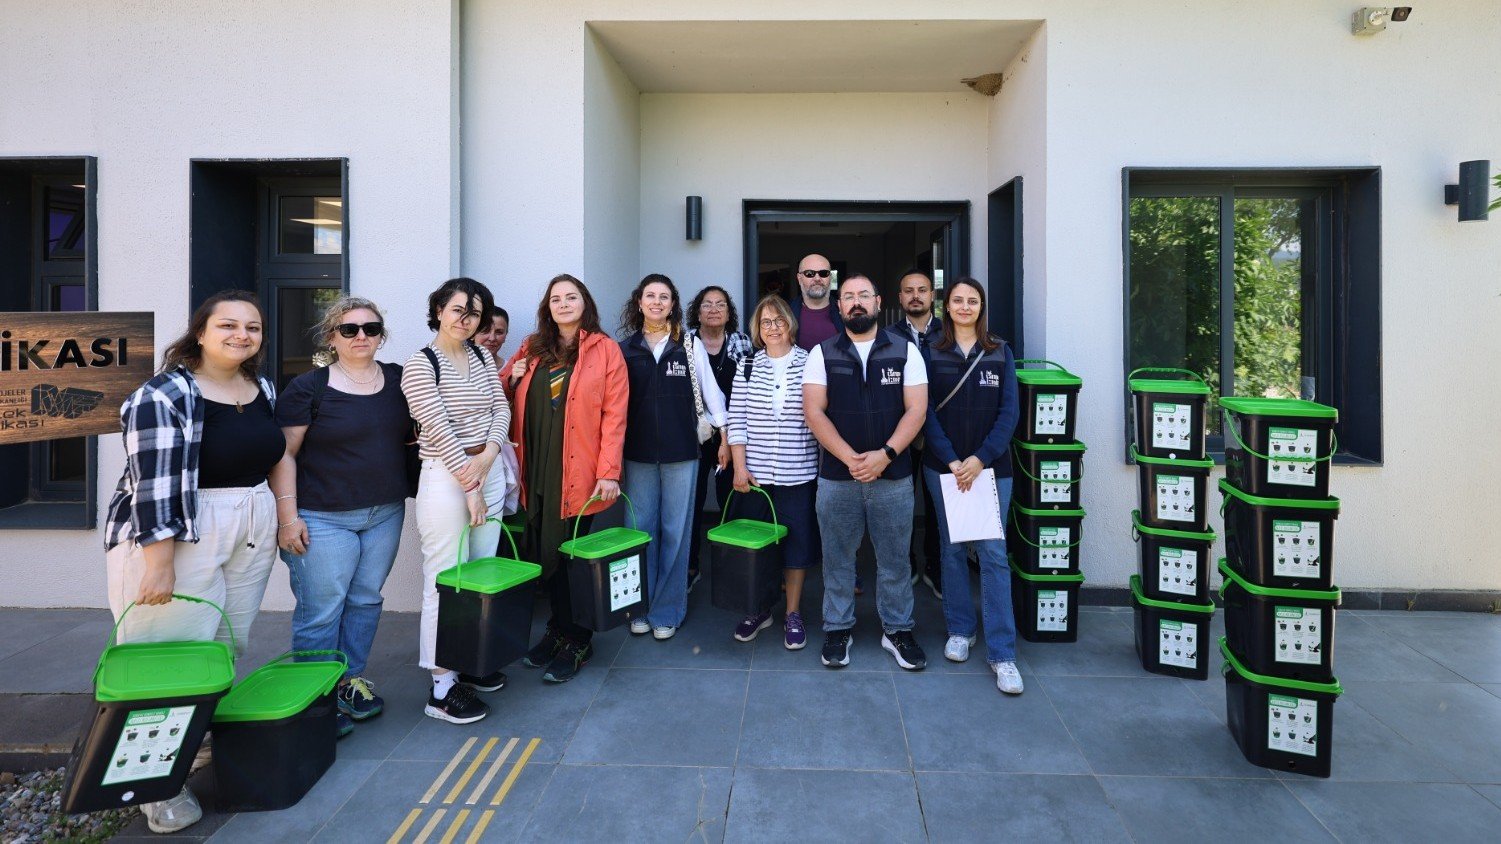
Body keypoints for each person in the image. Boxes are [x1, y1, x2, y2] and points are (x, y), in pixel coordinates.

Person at [102, 290, 284, 834]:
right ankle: (155, 784)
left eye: (252, 327)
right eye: (227, 325)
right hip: (182, 531)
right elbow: (155, 485)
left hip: (251, 520)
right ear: (199, 333)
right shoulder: (164, 395)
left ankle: (187, 744)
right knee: (166, 652)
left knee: (223, 643)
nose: (241, 335)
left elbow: (271, 458)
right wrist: (159, 564)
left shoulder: (261, 388)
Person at [270, 297, 410, 737]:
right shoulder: (308, 388)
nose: (361, 336)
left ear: (381, 334)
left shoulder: (400, 380)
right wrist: (287, 518)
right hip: (322, 515)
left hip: (385, 511)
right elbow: (284, 455)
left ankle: (349, 683)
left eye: (370, 328)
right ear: (332, 338)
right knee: (322, 610)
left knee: (366, 598)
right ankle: (315, 700)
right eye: (349, 330)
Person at [402, 277, 516, 725]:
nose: (466, 319)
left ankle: (470, 659)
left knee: (480, 572)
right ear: (438, 310)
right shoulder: (420, 363)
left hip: (484, 470)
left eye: (474, 312)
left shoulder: (483, 356)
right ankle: (441, 686)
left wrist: (488, 456)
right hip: (446, 478)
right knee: (446, 578)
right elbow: (436, 426)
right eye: (458, 310)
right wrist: (470, 486)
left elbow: (500, 409)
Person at [504, 274, 628, 682]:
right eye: (555, 298)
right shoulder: (531, 347)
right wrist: (512, 376)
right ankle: (557, 631)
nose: (563, 304)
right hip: (537, 467)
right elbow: (498, 395)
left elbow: (614, 414)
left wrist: (609, 471)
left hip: (580, 472)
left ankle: (578, 640)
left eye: (570, 297)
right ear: (547, 307)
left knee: (570, 556)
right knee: (546, 555)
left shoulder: (605, 350)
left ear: (584, 302)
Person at [802, 274, 929, 670]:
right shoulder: (821, 353)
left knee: (894, 560)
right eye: (848, 297)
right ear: (839, 307)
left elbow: (917, 409)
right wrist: (851, 458)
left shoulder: (906, 351)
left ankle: (897, 630)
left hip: (893, 476)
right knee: (837, 558)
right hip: (837, 478)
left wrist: (885, 455)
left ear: (877, 303)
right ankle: (837, 628)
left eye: (863, 296)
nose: (856, 303)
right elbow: (813, 411)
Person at [921, 278, 1024, 694]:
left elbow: (1009, 413)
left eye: (973, 301)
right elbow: (923, 412)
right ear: (947, 306)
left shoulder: (999, 350)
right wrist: (952, 460)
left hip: (992, 469)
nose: (965, 306)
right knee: (951, 550)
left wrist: (979, 460)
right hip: (942, 467)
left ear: (982, 307)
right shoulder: (931, 352)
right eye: (958, 300)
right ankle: (961, 630)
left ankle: (1003, 654)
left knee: (993, 554)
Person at [618, 274, 728, 639]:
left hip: (683, 453)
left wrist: (724, 436)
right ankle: (639, 606)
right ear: (639, 302)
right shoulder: (624, 349)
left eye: (664, 297)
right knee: (639, 531)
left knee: (675, 533)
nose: (657, 302)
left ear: (672, 305)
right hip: (637, 454)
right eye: (650, 295)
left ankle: (667, 610)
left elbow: (713, 396)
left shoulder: (689, 345)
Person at [726, 295, 819, 648]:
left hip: (799, 473)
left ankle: (792, 613)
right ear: (757, 330)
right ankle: (759, 608)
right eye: (766, 322)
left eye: (779, 320)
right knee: (759, 548)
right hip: (757, 477)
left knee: (796, 547)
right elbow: (737, 420)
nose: (773, 327)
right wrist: (739, 466)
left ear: (790, 324)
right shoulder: (747, 366)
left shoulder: (810, 362)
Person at [685, 285, 752, 592]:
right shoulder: (685, 342)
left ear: (729, 312)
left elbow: (749, 388)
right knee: (692, 501)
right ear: (697, 312)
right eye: (707, 304)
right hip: (694, 434)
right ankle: (691, 565)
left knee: (733, 499)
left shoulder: (740, 341)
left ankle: (732, 563)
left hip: (733, 432)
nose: (713, 309)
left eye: (720, 304)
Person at [886, 271, 943, 599]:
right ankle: (905, 562)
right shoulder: (888, 336)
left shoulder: (948, 333)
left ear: (932, 294)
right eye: (909, 291)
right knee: (900, 503)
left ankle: (935, 566)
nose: (916, 296)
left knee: (938, 504)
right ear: (900, 296)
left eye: (922, 290)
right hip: (901, 433)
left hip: (940, 433)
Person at [786, 253, 843, 351]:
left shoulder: (845, 312)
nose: (817, 278)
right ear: (799, 279)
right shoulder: (784, 312)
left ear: (830, 278)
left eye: (824, 273)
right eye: (809, 273)